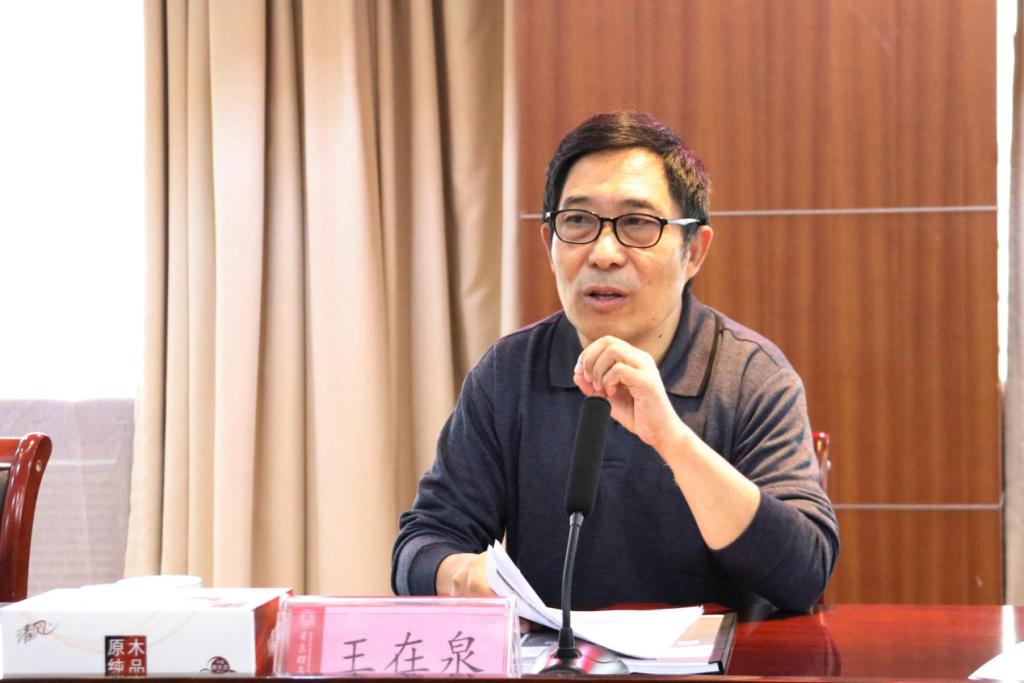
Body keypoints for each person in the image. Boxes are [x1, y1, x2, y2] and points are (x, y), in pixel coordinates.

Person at [391, 112, 838, 613]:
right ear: (549, 244)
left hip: (720, 657)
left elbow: (803, 574)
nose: (603, 253)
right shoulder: (509, 373)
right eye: (578, 222)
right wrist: (457, 574)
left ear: (693, 251)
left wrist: (672, 440)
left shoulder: (751, 376)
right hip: (556, 654)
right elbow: (423, 541)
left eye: (637, 224)